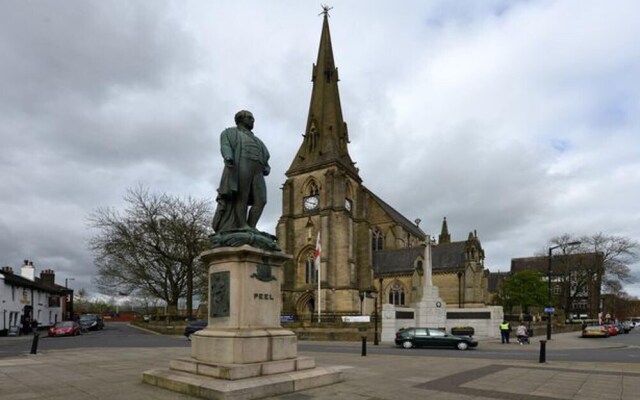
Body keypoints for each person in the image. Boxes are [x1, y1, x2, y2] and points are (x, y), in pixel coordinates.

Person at [212, 110, 271, 233]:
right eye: (249, 117)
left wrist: (267, 166)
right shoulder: (229, 133)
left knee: (261, 200)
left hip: (258, 169)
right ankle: (242, 225)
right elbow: (225, 145)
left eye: (252, 118)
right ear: (240, 119)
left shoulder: (257, 140)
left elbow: (265, 156)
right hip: (241, 163)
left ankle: (251, 225)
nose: (252, 120)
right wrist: (228, 156)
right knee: (241, 196)